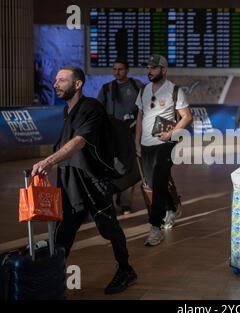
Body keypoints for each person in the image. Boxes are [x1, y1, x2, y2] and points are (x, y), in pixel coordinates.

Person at [31, 66, 137, 295]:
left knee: (109, 228)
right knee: (64, 232)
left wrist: (47, 162)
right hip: (70, 181)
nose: (55, 84)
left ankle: (126, 269)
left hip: (93, 182)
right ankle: (54, 278)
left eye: (62, 80)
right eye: (55, 80)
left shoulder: (91, 108)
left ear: (77, 84)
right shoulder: (68, 111)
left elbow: (79, 142)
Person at [135, 54, 193, 245]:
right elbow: (140, 117)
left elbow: (186, 117)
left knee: (158, 184)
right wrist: (137, 142)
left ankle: (155, 228)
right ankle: (172, 206)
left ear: (163, 70)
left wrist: (171, 134)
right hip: (146, 144)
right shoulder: (143, 90)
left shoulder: (174, 90)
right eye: (148, 68)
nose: (149, 71)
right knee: (152, 184)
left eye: (154, 68)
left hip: (165, 144)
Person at [97, 59, 144, 215]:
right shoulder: (107, 89)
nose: (117, 72)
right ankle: (111, 197)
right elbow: (98, 111)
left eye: (121, 69)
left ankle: (125, 203)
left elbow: (146, 110)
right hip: (113, 136)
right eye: (115, 69)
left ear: (127, 70)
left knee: (130, 168)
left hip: (131, 134)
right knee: (112, 167)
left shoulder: (137, 87)